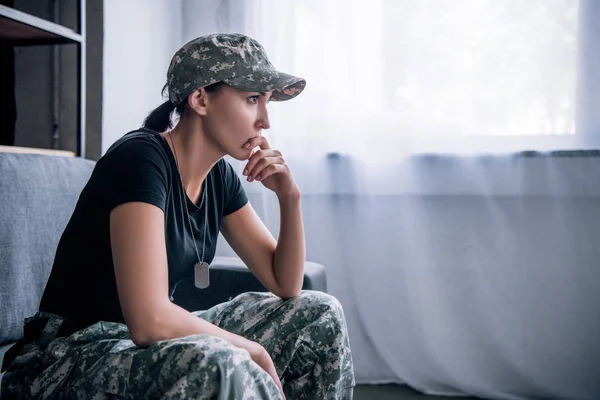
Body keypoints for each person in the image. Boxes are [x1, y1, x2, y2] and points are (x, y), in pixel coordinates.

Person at [0, 33, 355, 399]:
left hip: (134, 347)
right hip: (68, 356)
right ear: (200, 98)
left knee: (319, 313)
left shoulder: (218, 176)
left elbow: (286, 285)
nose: (264, 120)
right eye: (252, 99)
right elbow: (149, 319)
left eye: (267, 103)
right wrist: (252, 348)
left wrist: (289, 197)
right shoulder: (140, 158)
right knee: (221, 360)